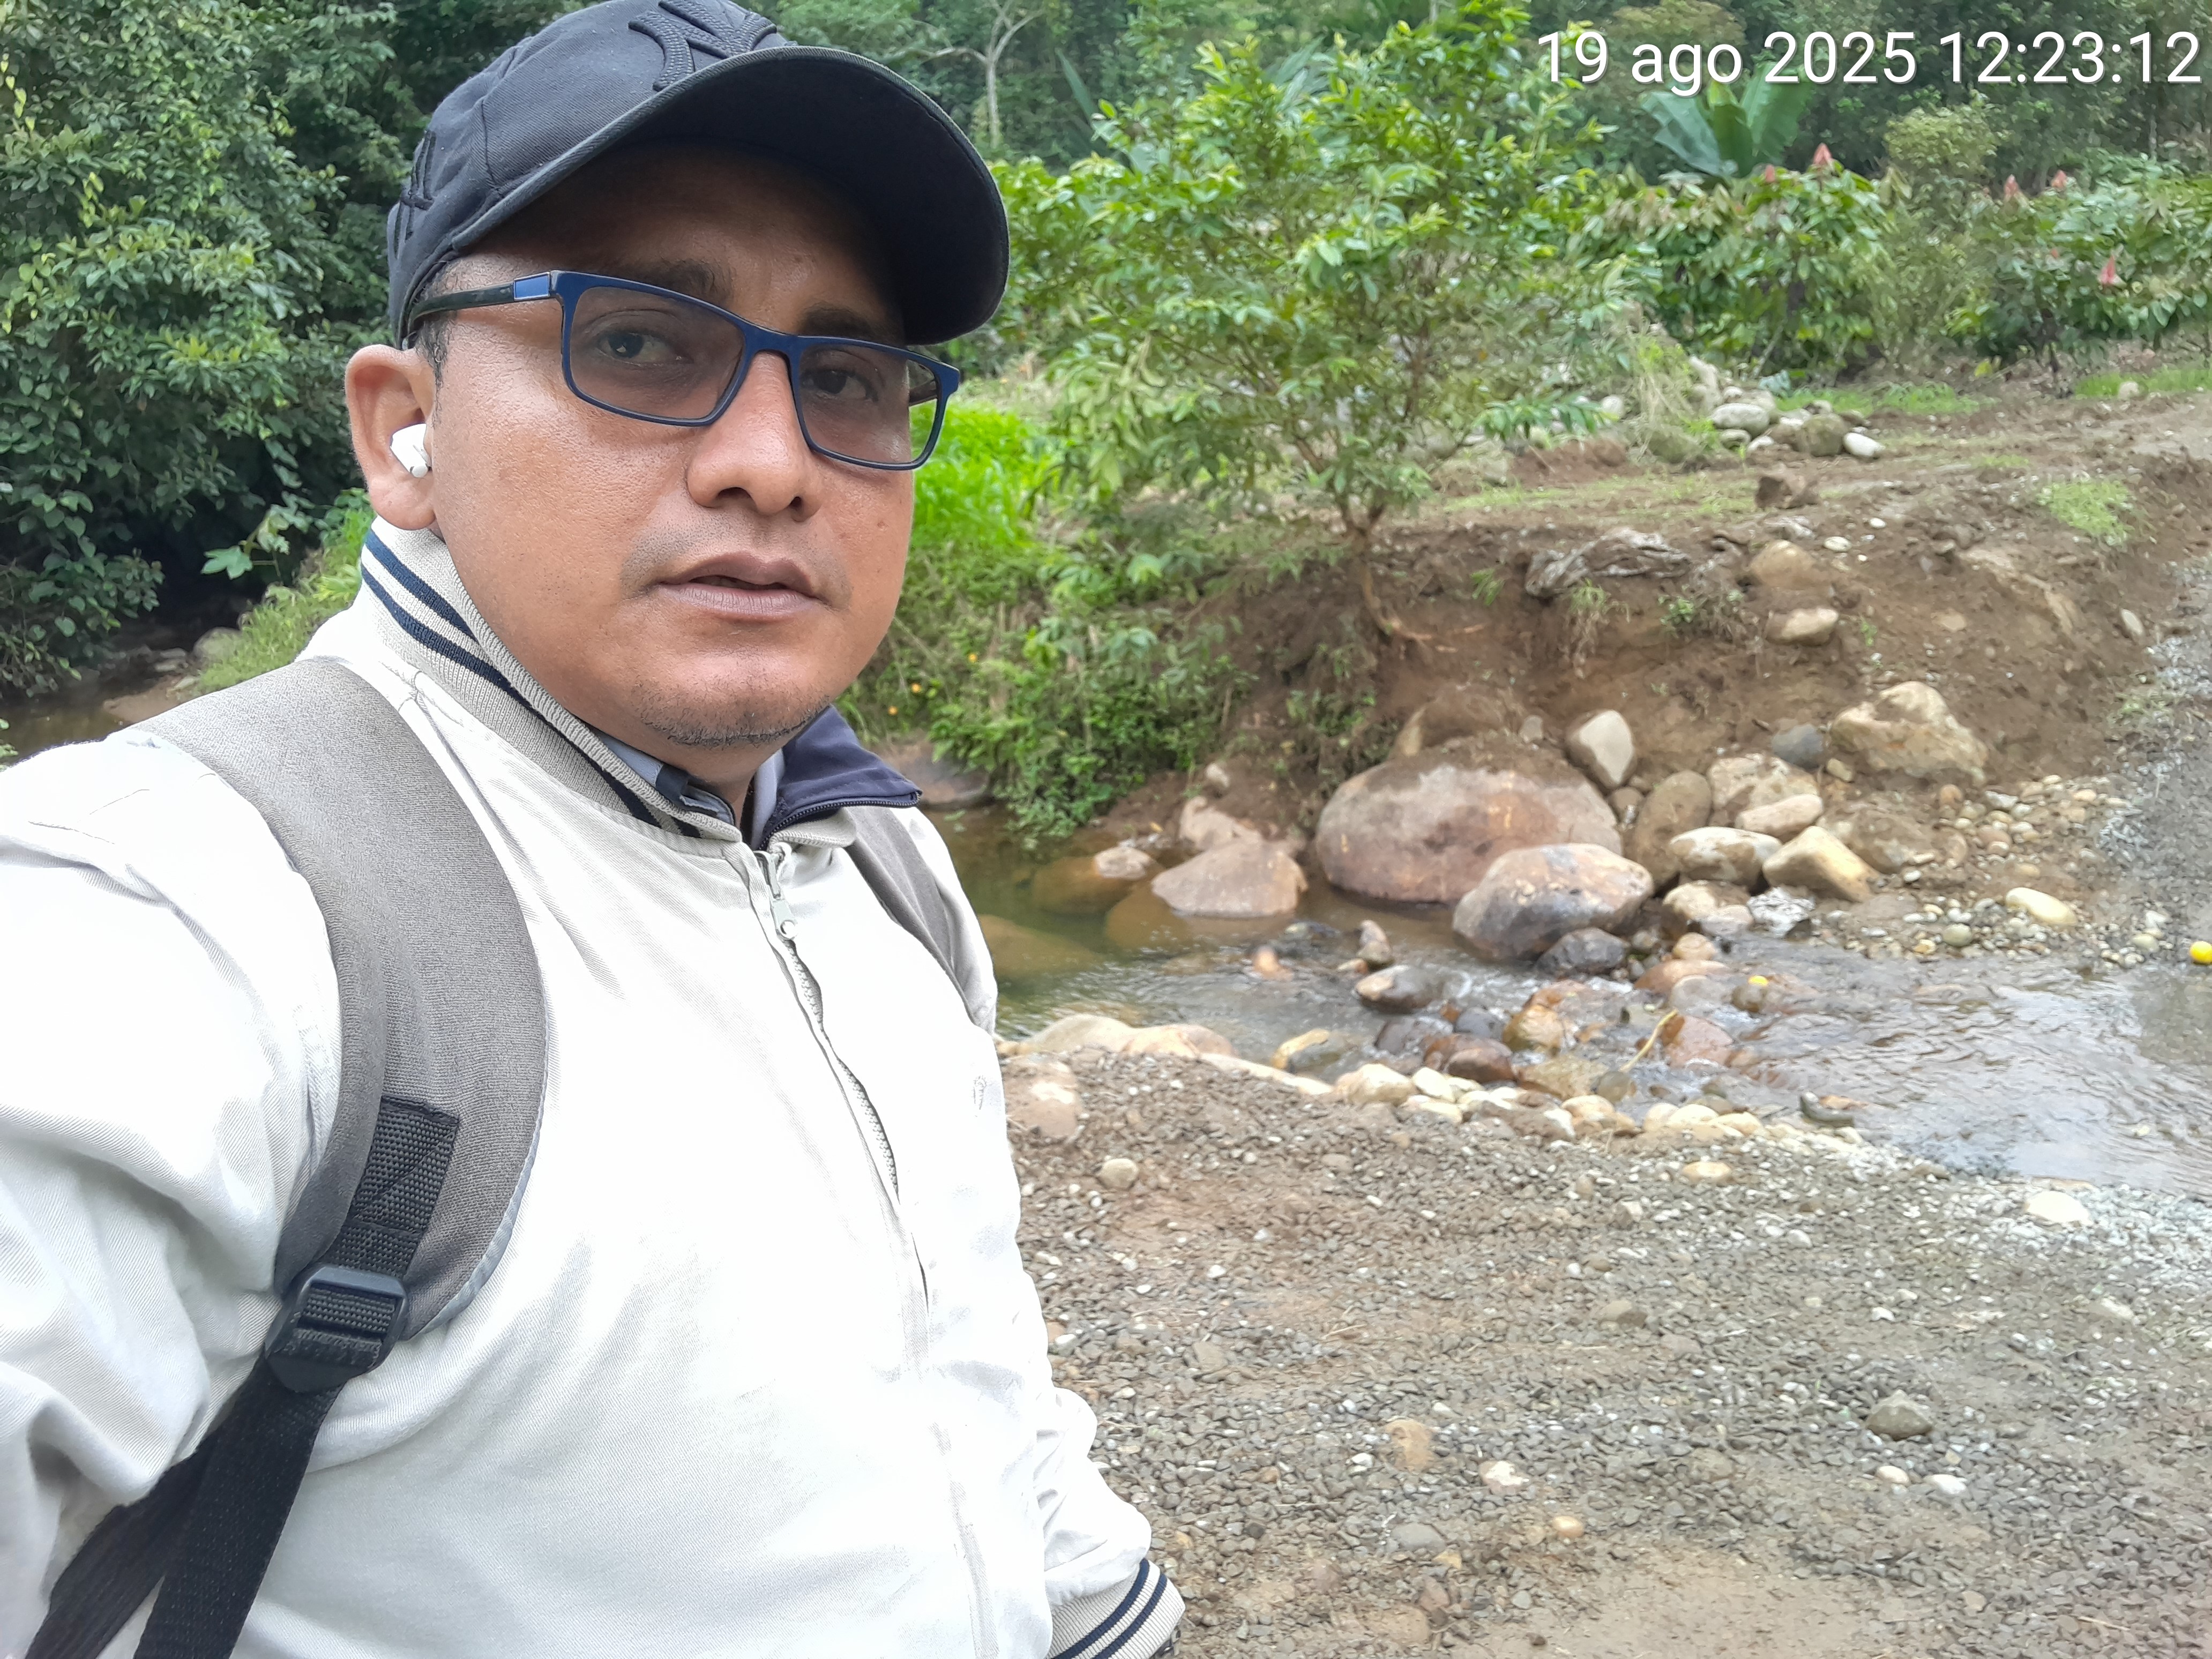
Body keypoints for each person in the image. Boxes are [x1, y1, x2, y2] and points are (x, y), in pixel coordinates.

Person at [0, 3, 1182, 1654]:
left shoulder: (879, 863)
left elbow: (967, 1350)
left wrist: (1104, 1613)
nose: (772, 463)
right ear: (401, 432)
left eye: (846, 376)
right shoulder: (172, 902)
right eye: (635, 344)